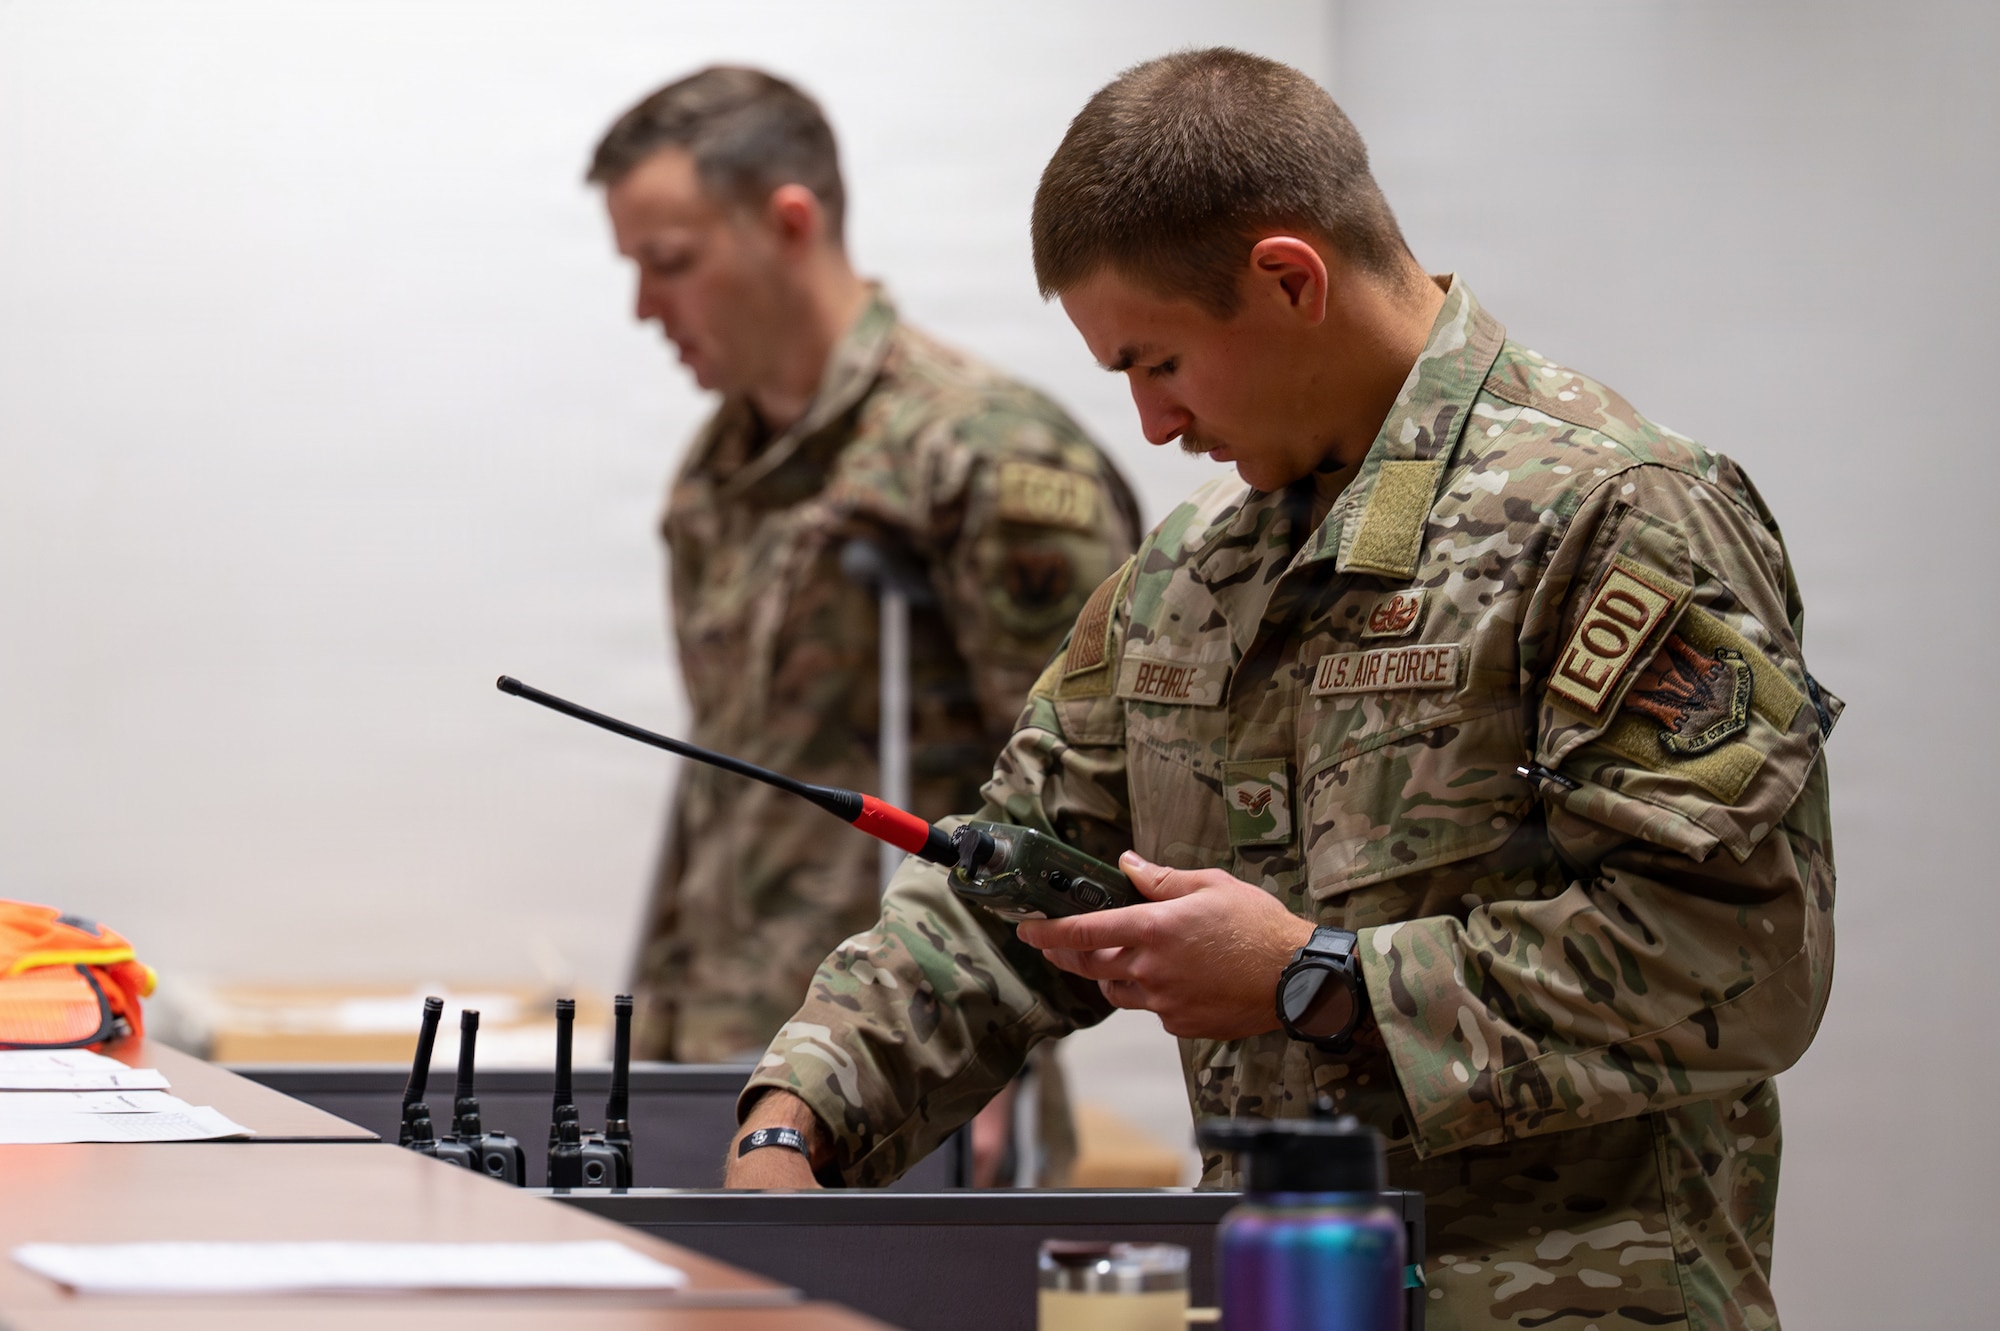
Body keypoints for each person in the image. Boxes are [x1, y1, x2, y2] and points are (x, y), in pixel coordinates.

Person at [726, 48, 1838, 1330]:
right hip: (1272, 1294)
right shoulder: (1193, 569)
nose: (1152, 424)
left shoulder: (1612, 517)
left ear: (1289, 279)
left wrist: (1320, 977)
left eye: (1157, 363)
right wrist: (796, 1117)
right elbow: (1009, 881)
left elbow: (1740, 959)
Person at [588, 67, 1140, 1181]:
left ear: (788, 223)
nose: (645, 307)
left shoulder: (983, 454)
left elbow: (1092, 795)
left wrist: (993, 1057)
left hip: (908, 1068)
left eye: (671, 261)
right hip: (724, 1051)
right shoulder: (720, 470)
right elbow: (726, 775)